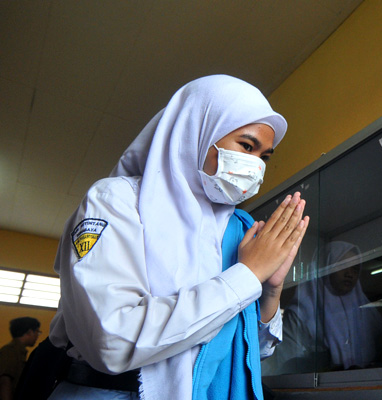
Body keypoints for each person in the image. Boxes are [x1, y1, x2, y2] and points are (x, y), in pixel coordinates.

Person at [47, 75, 309, 399]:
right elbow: (111, 340)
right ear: (196, 131)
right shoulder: (116, 202)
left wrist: (269, 291)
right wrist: (247, 275)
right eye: (246, 146)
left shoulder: (236, 227)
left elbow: (247, 353)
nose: (255, 166)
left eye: (265, 156)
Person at [263, 242, 382, 374]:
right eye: (343, 265)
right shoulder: (301, 312)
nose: (349, 274)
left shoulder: (369, 314)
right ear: (327, 267)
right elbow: (289, 366)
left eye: (355, 269)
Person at [0, 317, 40, 400]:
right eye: (37, 332)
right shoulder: (10, 351)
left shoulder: (17, 351)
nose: (37, 336)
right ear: (29, 332)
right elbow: (5, 381)